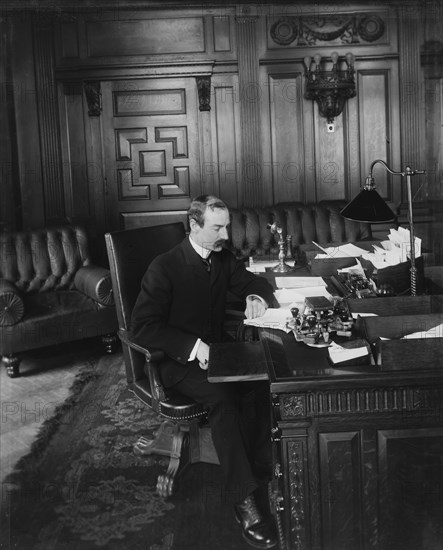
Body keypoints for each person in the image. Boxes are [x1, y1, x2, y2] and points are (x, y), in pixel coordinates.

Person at [131, 195, 277, 549]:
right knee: (224, 397)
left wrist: (255, 297)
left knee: (260, 384)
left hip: (218, 354)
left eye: (226, 225)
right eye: (218, 227)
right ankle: (244, 500)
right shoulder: (164, 267)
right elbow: (144, 328)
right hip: (175, 363)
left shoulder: (222, 258)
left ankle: (258, 473)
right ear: (194, 226)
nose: (226, 234)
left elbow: (254, 283)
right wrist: (195, 347)